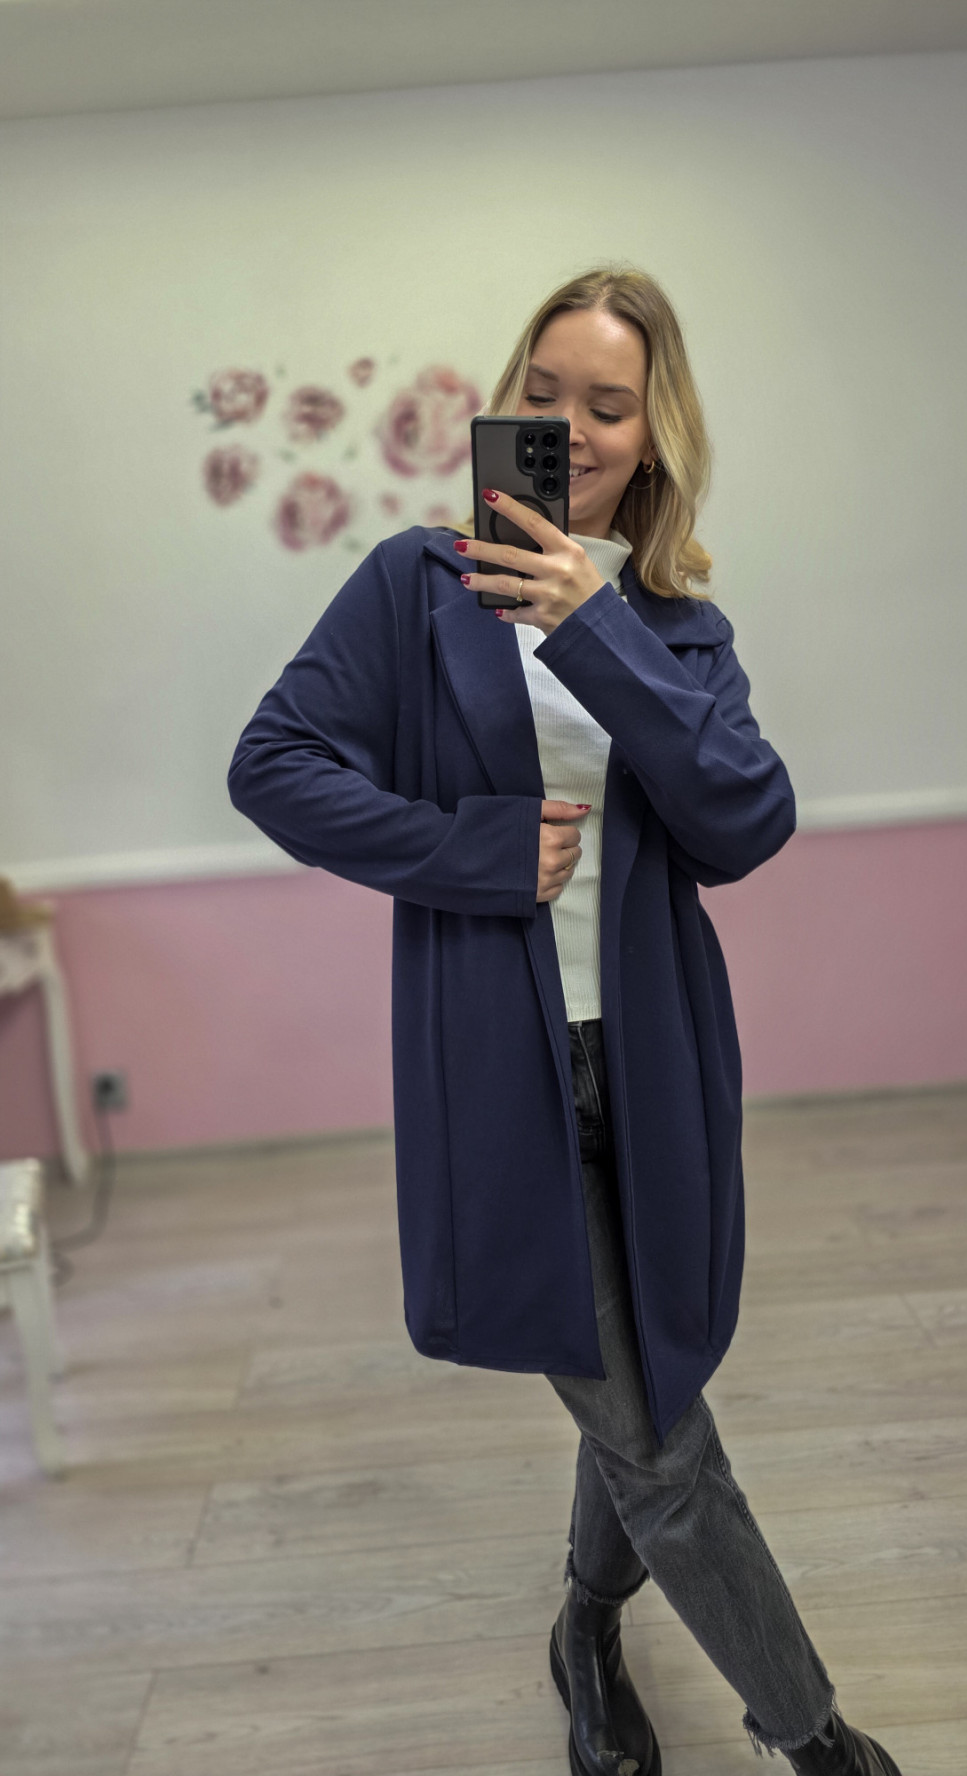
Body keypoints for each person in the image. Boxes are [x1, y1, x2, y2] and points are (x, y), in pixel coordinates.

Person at [228, 266, 901, 1776]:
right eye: (545, 395)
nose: (572, 429)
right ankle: (818, 1738)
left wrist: (600, 630)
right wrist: (475, 848)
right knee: (660, 1445)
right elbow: (273, 763)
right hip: (498, 1071)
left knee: (654, 1373)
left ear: (655, 437)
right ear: (507, 405)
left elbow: (745, 820)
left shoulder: (677, 629)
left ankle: (587, 1629)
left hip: (655, 1063)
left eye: (608, 405)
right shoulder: (416, 587)